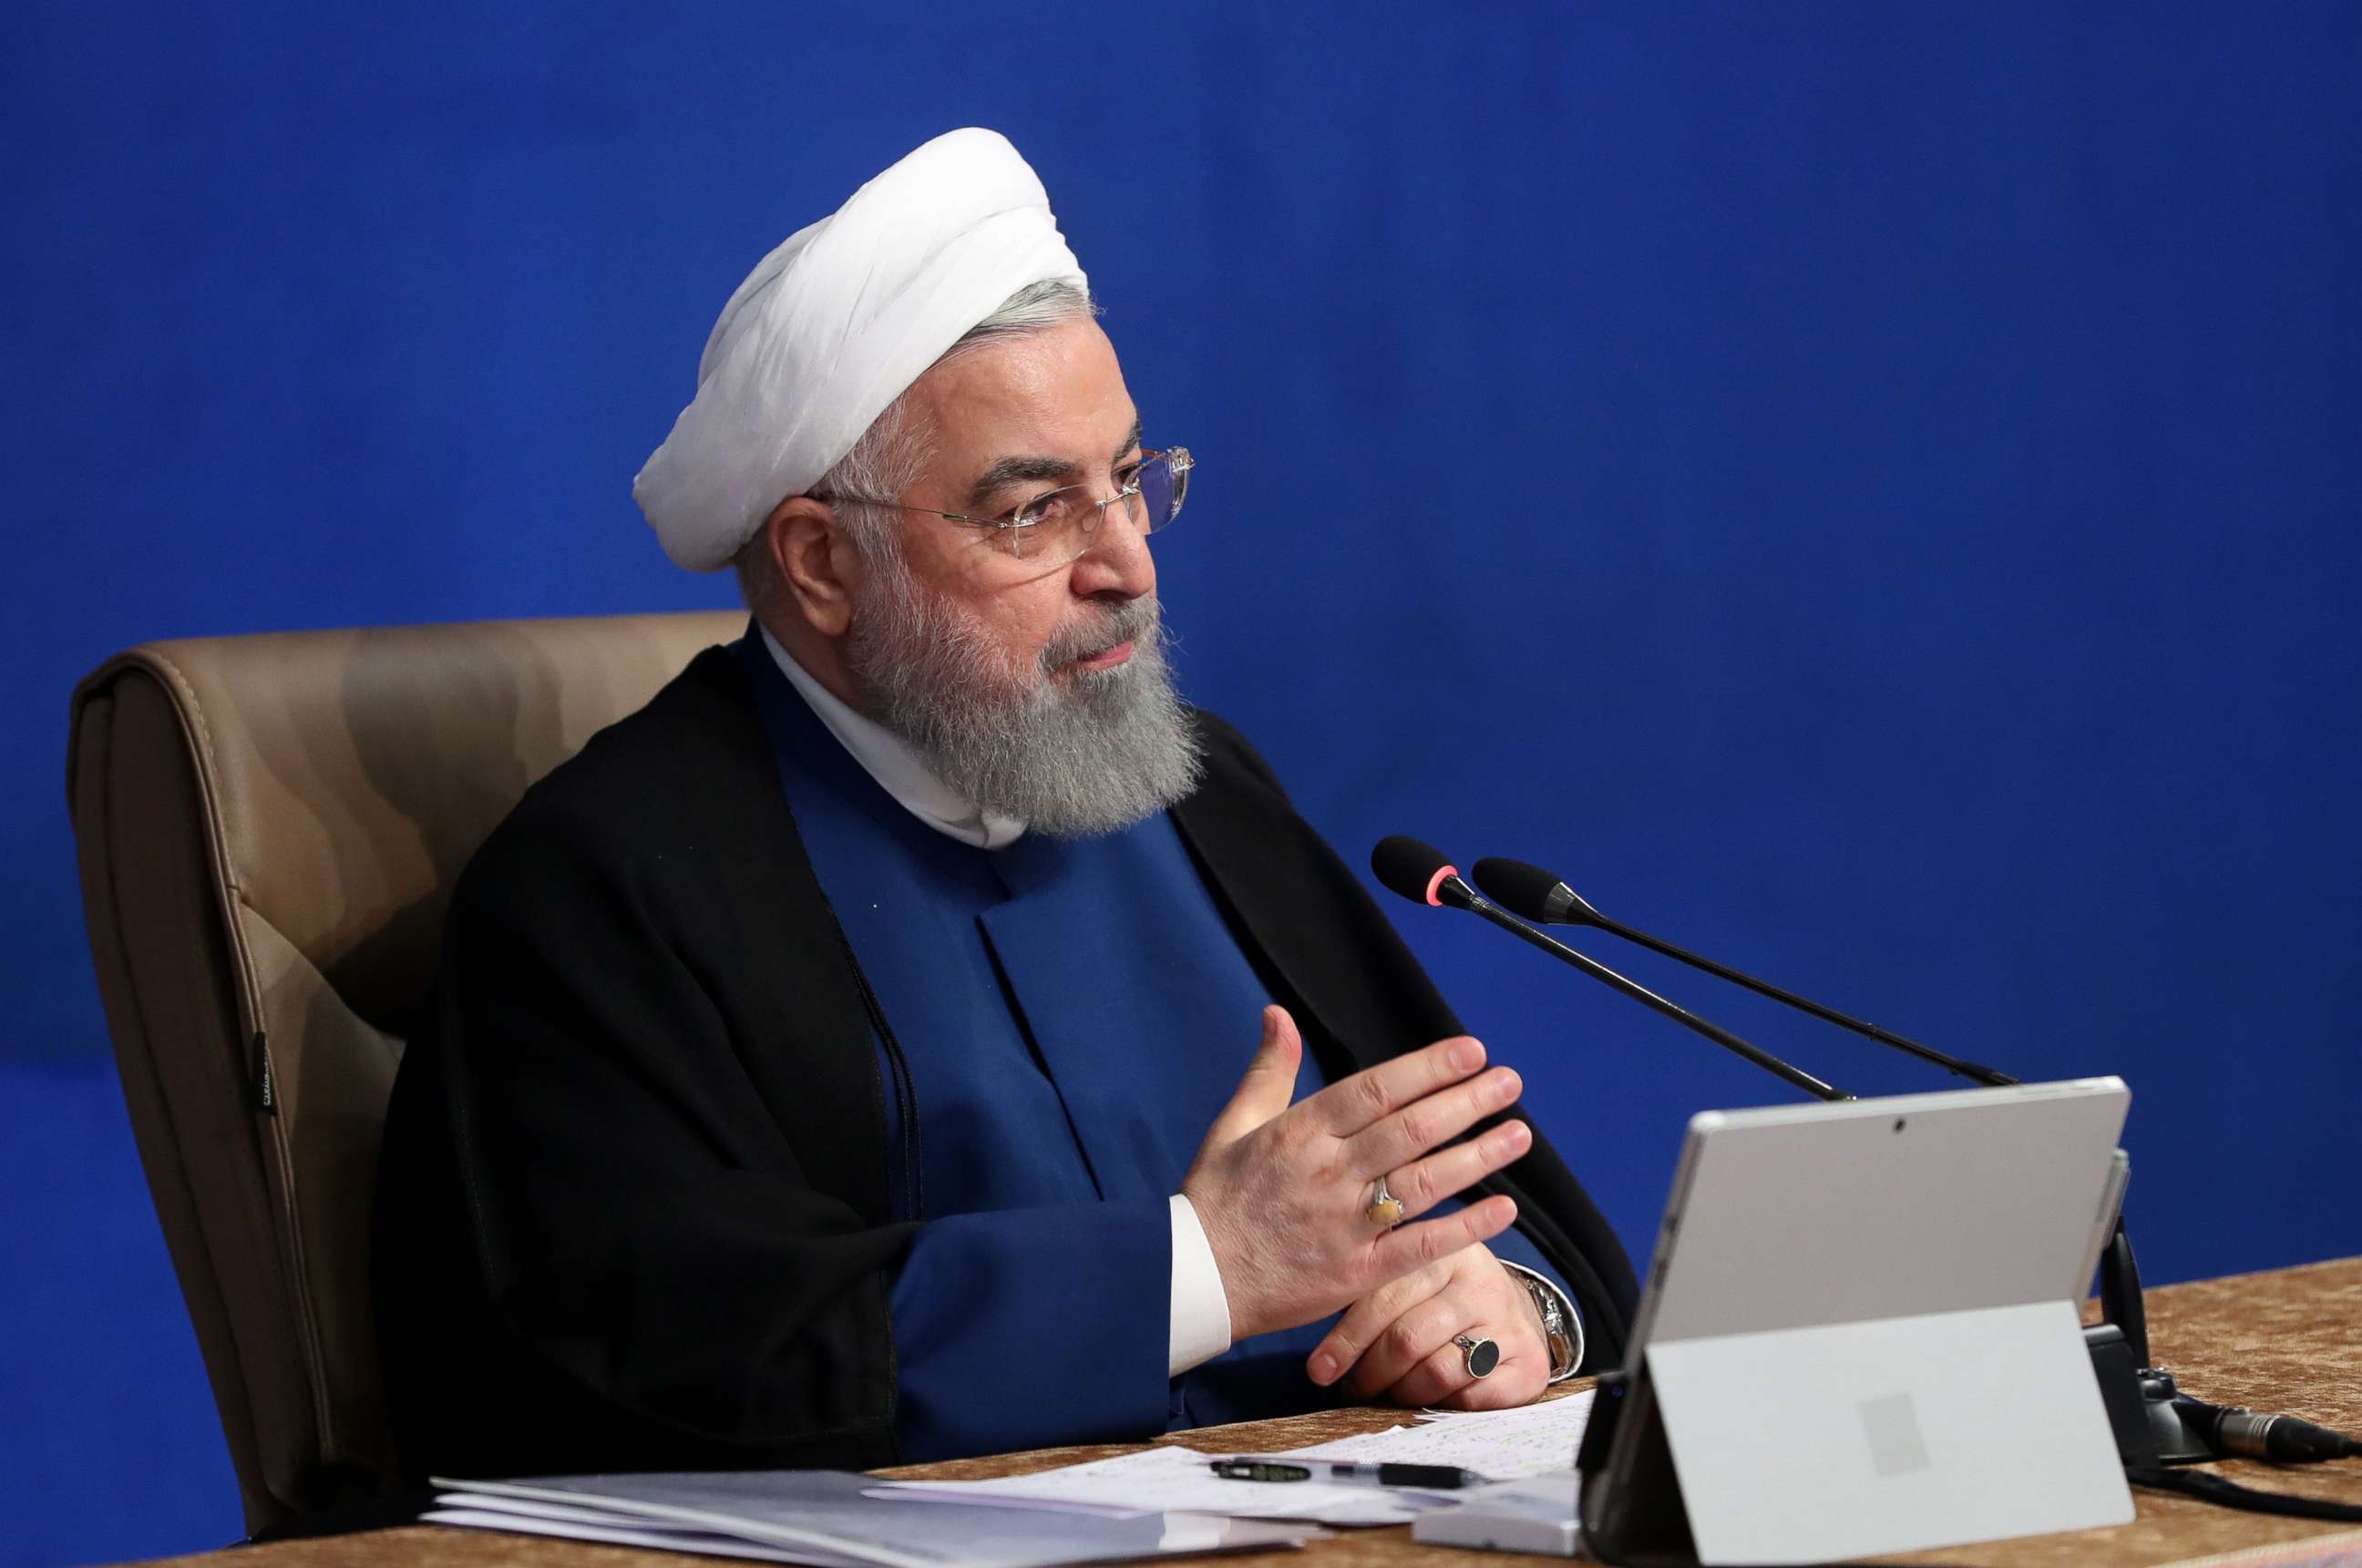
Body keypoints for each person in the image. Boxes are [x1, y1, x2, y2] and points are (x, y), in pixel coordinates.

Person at [374, 128, 1637, 1480]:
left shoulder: (1203, 794)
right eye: (1035, 513)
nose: (1130, 565)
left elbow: (1523, 1235)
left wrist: (1509, 1316)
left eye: (1135, 480)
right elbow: (674, 1358)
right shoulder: (613, 886)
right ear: (821, 564)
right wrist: (1205, 1267)